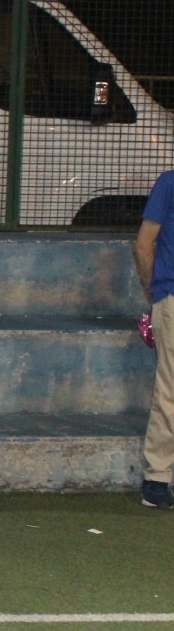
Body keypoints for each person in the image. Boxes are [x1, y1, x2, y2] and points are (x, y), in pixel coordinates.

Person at [136, 171, 174, 508]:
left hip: (170, 296)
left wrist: (153, 289)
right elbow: (144, 246)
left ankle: (158, 478)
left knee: (169, 389)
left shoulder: (169, 183)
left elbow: (144, 245)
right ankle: (157, 477)